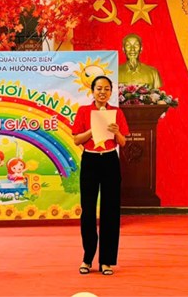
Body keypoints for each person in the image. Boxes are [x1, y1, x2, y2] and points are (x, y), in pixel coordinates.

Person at [72, 75, 129, 276]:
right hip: (90, 160)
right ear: (93, 91)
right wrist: (92, 130)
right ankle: (87, 258)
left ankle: (106, 261)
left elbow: (122, 142)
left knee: (110, 210)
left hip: (110, 161)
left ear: (111, 92)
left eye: (106, 89)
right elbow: (76, 140)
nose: (102, 92)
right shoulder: (83, 111)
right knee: (88, 210)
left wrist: (116, 132)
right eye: (99, 88)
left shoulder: (117, 112)